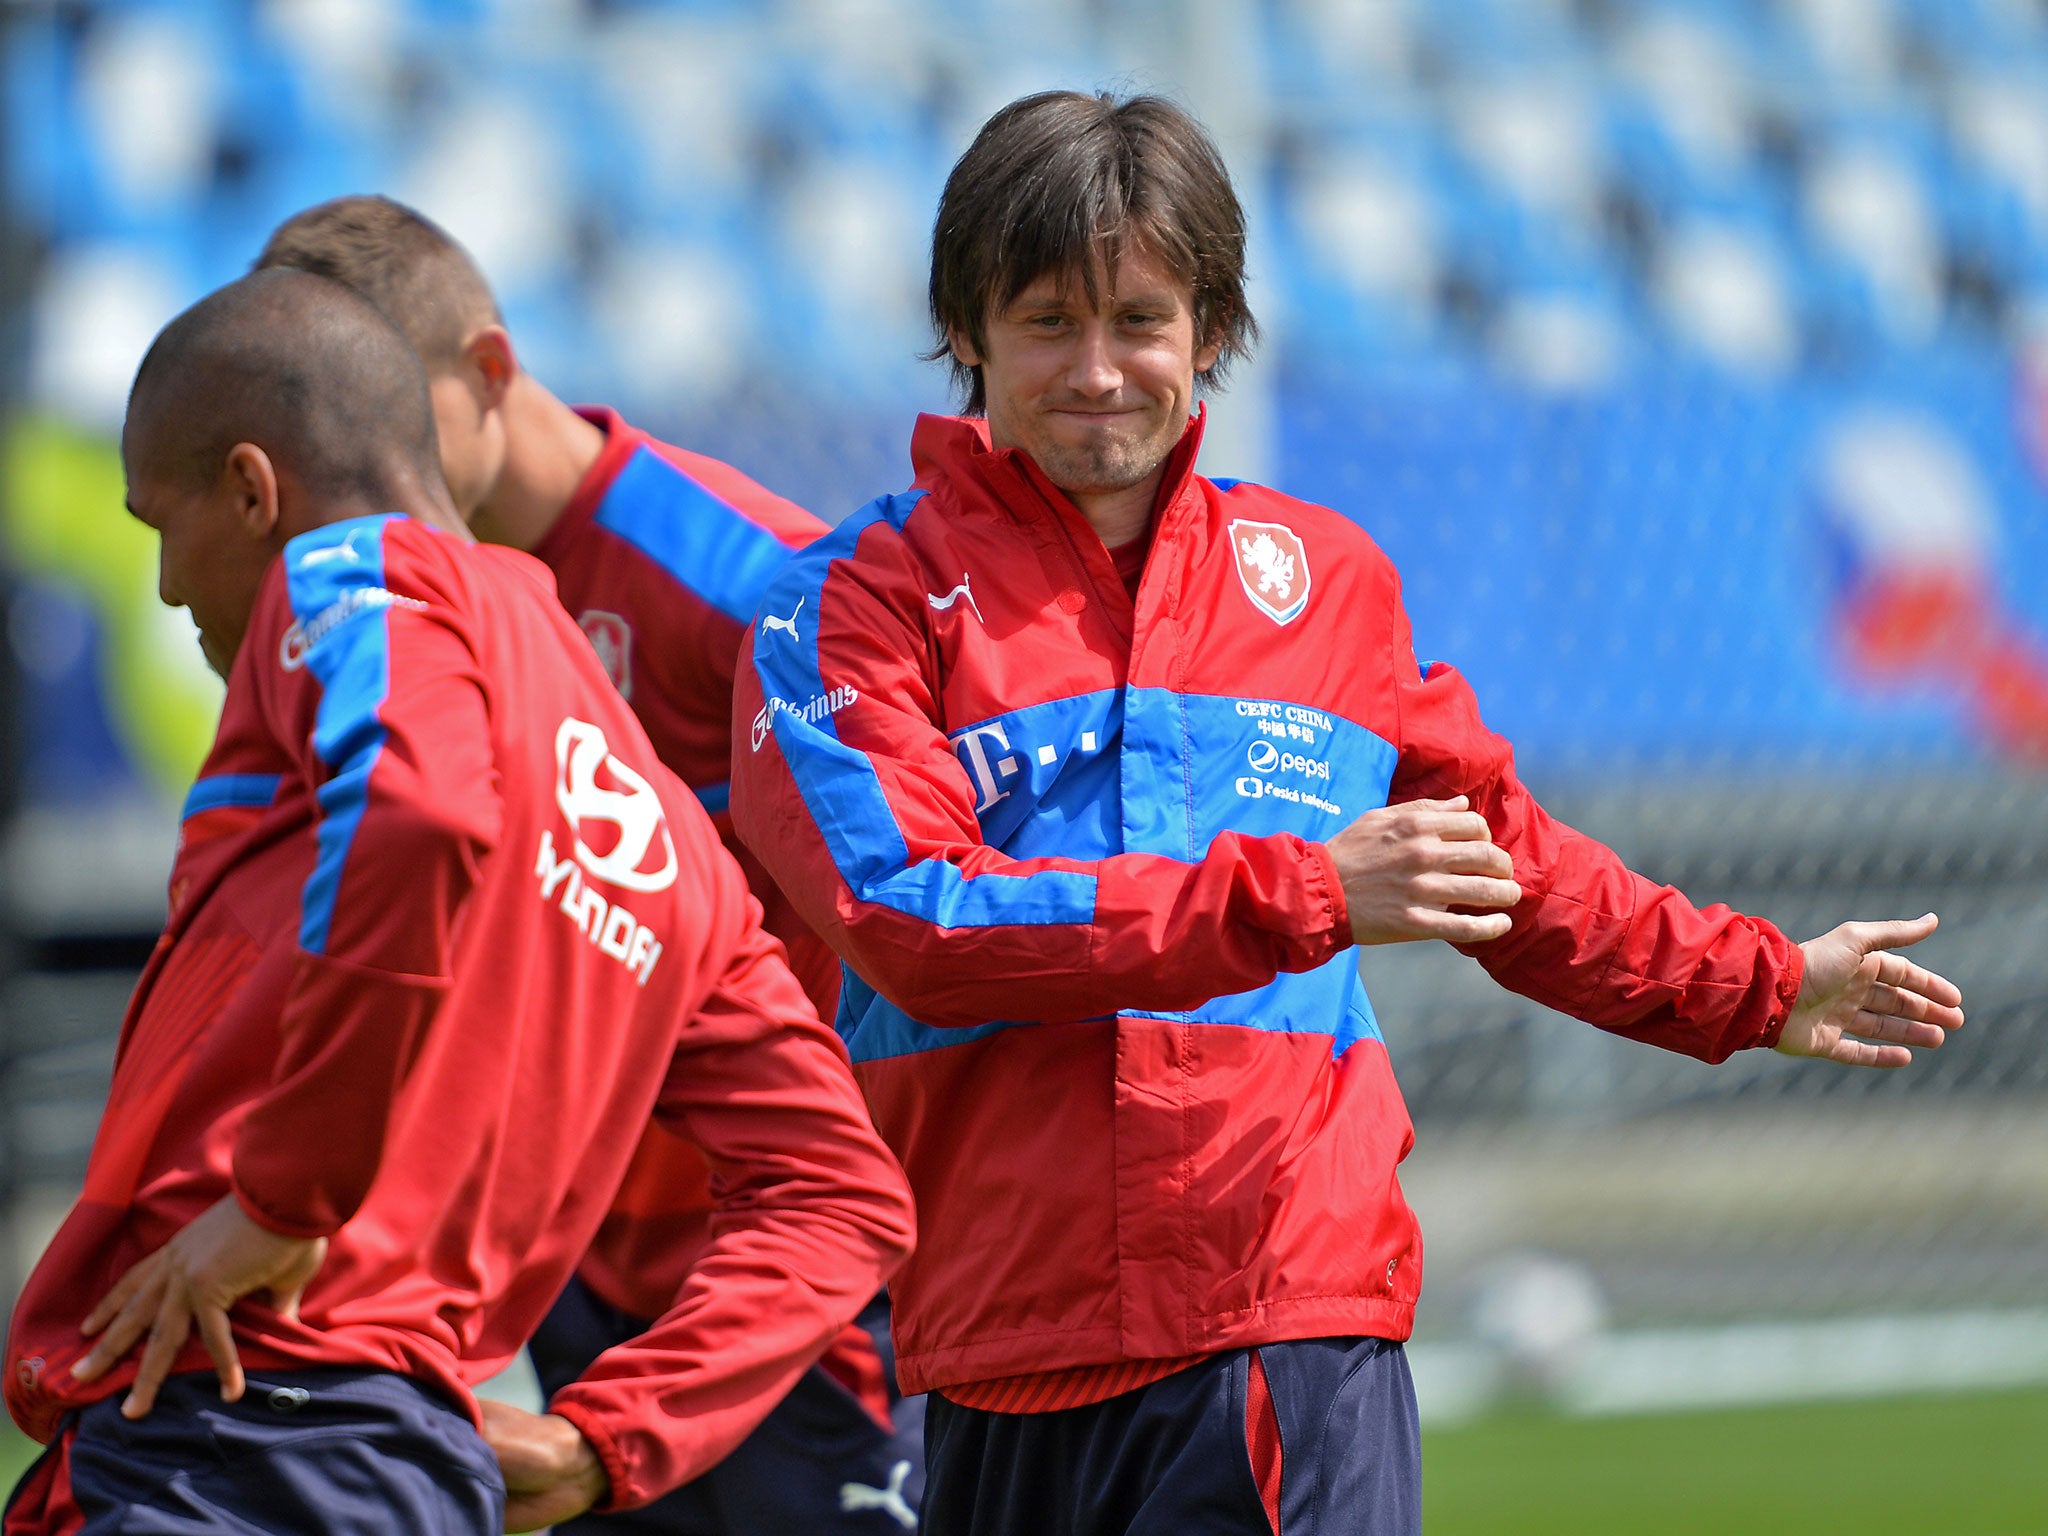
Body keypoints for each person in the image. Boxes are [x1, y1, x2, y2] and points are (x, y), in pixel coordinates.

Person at [727, 91, 1967, 1536]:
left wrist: (1759, 982)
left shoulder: (1326, 582)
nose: (1100, 369)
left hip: (1284, 1323)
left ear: (1212, 334)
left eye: (1140, 318)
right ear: (968, 334)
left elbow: (1507, 865)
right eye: (1047, 321)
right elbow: (909, 919)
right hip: (997, 1343)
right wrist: (1301, 891)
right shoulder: (846, 607)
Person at [2, 268, 914, 1535]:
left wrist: (281, 1201)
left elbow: (418, 809)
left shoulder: (352, 580)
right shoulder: (663, 831)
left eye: (163, 526)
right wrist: (613, 1441)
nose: (162, 587)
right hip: (411, 1467)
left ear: (256, 492)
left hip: (227, 1423)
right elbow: (845, 1196)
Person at [253, 196, 926, 1532]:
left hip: (778, 1278)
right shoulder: (401, 603)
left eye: (387, 408)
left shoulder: (736, 581)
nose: (355, 459)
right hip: (580, 1264)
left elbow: (906, 886)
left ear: (489, 373)